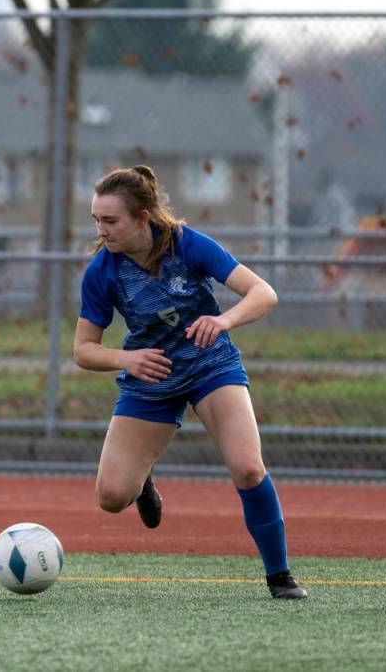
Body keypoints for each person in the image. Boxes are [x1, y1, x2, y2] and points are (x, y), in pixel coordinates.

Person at [73, 165, 307, 599]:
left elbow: (263, 293)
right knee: (110, 496)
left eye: (111, 221)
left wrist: (223, 320)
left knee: (248, 467)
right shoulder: (102, 272)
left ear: (143, 218)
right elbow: (84, 349)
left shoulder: (187, 245)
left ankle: (279, 576)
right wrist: (127, 358)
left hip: (209, 366)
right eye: (96, 220)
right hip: (152, 376)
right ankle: (142, 480)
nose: (101, 231)